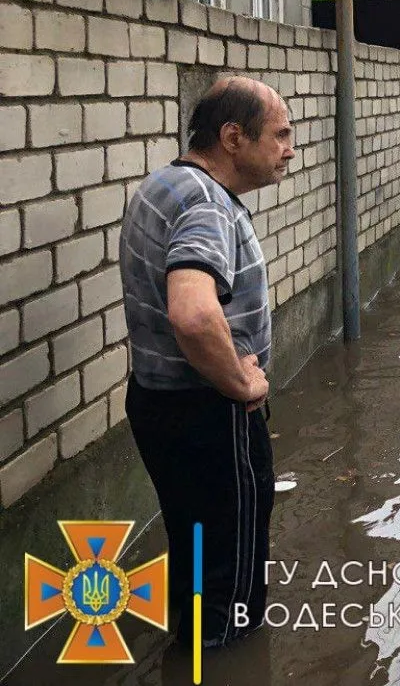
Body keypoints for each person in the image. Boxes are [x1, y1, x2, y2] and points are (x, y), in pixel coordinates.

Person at [119, 76, 294, 649]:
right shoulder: (207, 205)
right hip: (210, 416)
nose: (290, 149)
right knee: (232, 590)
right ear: (232, 137)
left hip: (159, 404)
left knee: (193, 554)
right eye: (281, 134)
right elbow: (193, 316)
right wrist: (242, 385)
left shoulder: (165, 184)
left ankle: (190, 653)